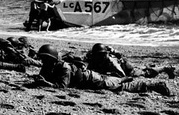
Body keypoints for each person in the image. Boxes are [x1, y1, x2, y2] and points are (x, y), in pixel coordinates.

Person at [33, 44, 171, 95]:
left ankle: (154, 85)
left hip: (95, 80)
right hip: (94, 77)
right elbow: (44, 77)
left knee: (121, 86)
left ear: (52, 59)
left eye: (45, 58)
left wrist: (46, 84)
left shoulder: (64, 68)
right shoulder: (50, 66)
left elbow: (62, 86)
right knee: (117, 83)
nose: (43, 61)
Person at [85, 43, 174, 79]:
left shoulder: (111, 61)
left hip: (127, 70)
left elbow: (122, 75)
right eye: (98, 54)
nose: (100, 56)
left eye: (102, 54)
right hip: (123, 66)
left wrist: (106, 75)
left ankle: (165, 68)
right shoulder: (94, 59)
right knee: (142, 69)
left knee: (147, 73)